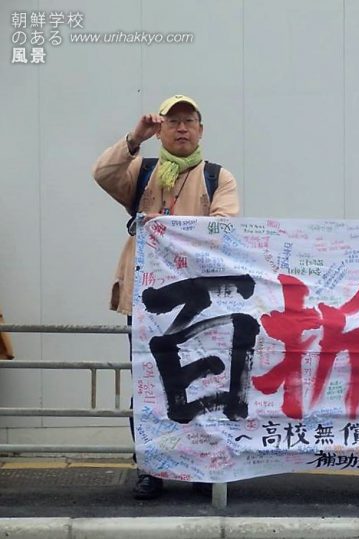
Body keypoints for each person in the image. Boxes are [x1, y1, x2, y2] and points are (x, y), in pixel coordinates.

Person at [93, 94, 240, 500]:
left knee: (203, 383)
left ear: (200, 130)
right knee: (147, 384)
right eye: (172, 121)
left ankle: (197, 467)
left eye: (188, 121)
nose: (180, 128)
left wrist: (169, 227)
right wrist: (133, 138)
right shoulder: (143, 170)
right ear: (162, 129)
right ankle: (150, 468)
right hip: (144, 298)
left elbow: (224, 229)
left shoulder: (217, 177)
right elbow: (103, 174)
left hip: (199, 305)